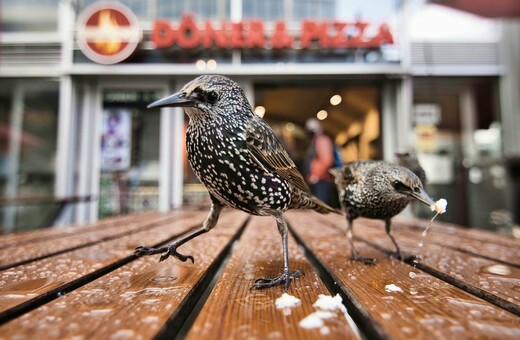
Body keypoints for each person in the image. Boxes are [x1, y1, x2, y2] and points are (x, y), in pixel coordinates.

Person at [304, 118, 336, 206]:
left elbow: (327, 160)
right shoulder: (316, 142)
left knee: (321, 208)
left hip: (322, 182)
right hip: (317, 182)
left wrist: (316, 176)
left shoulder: (322, 141)